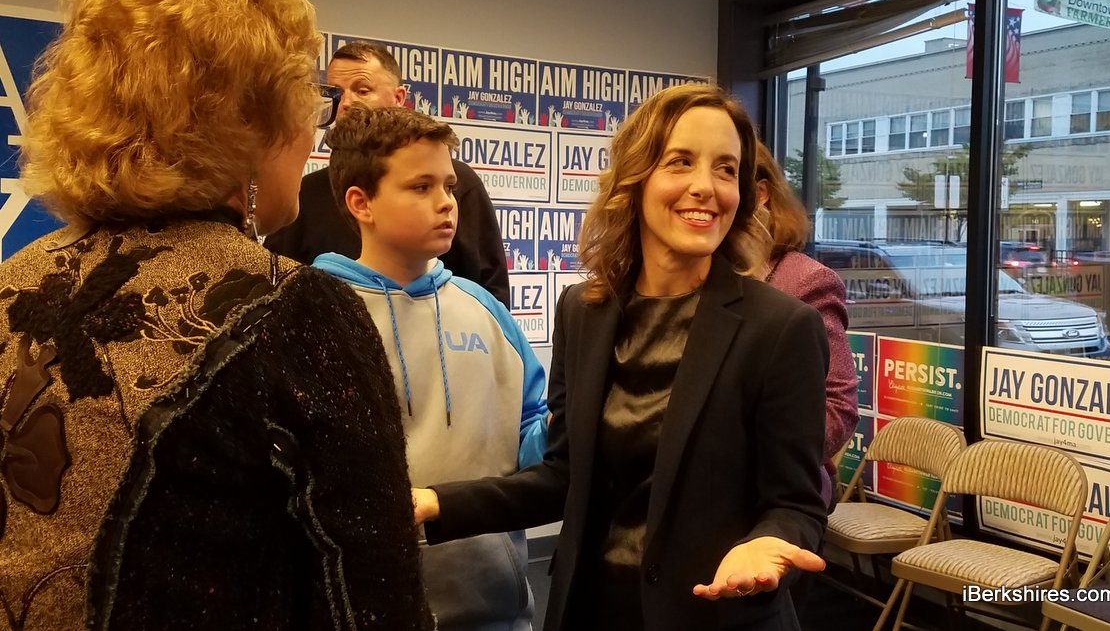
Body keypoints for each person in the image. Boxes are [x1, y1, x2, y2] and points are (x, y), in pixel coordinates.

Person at [0, 0, 431, 629]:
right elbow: (373, 600)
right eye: (308, 105)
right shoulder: (296, 309)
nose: (312, 132)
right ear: (252, 124)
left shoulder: (12, 282)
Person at [414, 84, 830, 631]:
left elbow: (796, 504)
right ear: (636, 177)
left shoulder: (781, 328)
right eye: (680, 161)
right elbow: (563, 477)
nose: (705, 186)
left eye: (726, 169)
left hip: (711, 615)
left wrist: (768, 543)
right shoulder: (583, 312)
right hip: (592, 610)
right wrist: (434, 503)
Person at [313, 104, 550, 631]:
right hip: (362, 612)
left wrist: (567, 424)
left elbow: (532, 434)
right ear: (361, 203)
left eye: (449, 186)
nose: (446, 202)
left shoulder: (485, 310)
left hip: (495, 609)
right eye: (421, 187)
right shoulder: (315, 313)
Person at [265, 41, 511, 306]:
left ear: (399, 98)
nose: (346, 103)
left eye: (362, 90)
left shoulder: (462, 184)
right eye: (336, 92)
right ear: (358, 202)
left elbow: (491, 295)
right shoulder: (305, 194)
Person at [754, 141, 859, 509]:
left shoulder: (804, 282)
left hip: (775, 495)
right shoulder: (691, 274)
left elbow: (838, 407)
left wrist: (749, 456)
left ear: (760, 194)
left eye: (726, 173)